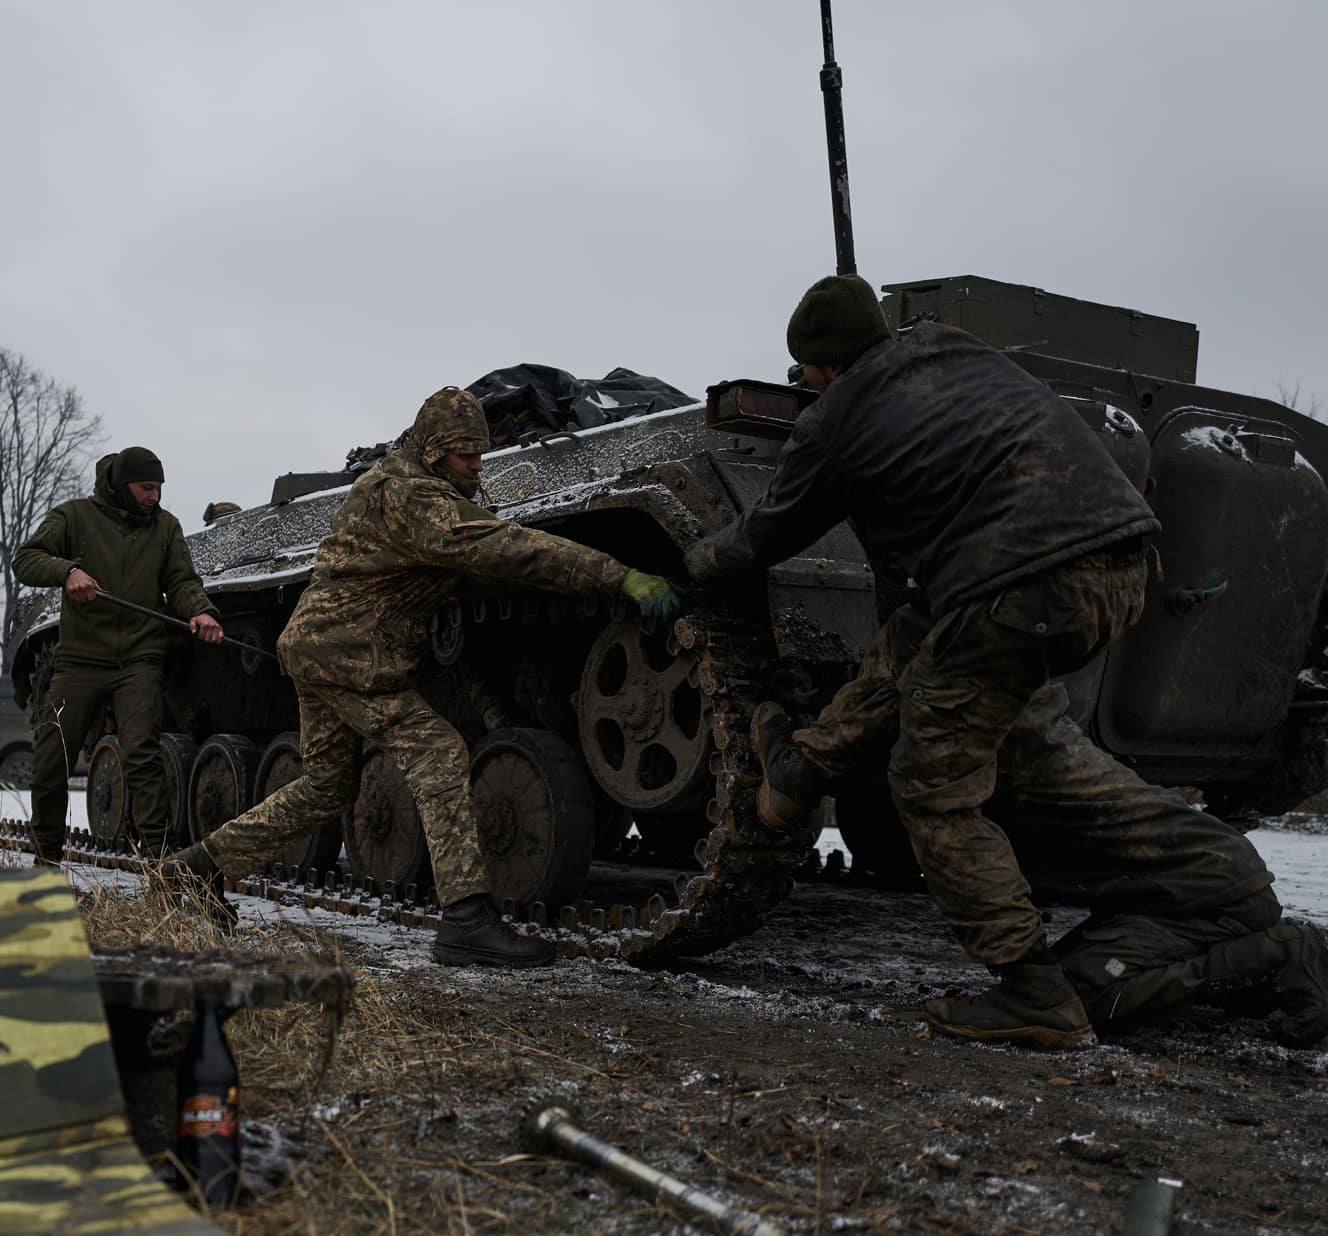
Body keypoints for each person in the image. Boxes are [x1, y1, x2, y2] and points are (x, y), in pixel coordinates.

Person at [686, 272, 1323, 1047]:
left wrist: (696, 561)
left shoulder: (837, 417)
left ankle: (1030, 994)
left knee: (931, 782)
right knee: (934, 654)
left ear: (818, 365)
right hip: (1115, 561)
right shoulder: (950, 347)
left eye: (805, 372)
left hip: (1012, 580)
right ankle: (799, 771)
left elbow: (767, 535)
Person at [159, 386, 681, 967]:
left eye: (481, 453)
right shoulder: (411, 497)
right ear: (434, 451)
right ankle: (465, 920)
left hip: (323, 646)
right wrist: (617, 577)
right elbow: (508, 547)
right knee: (439, 752)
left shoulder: (401, 481)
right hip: (350, 652)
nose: (477, 465)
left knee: (328, 787)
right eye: (466, 455)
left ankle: (196, 868)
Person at [758, 604, 1326, 1048]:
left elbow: (873, 749)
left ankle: (1280, 950)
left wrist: (788, 736)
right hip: (1202, 878)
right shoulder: (1016, 697)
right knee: (1100, 977)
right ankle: (1262, 960)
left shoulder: (979, 731)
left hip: (1201, 891)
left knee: (1078, 999)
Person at [14, 446, 222, 862]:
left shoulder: (165, 528)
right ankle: (46, 861)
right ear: (122, 484)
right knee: (51, 756)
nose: (155, 497)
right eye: (146, 488)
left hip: (140, 659)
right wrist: (68, 571)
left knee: (143, 758)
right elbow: (26, 560)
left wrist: (200, 611)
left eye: (159, 488)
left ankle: (162, 866)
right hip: (80, 658)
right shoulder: (73, 517)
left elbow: (181, 580)